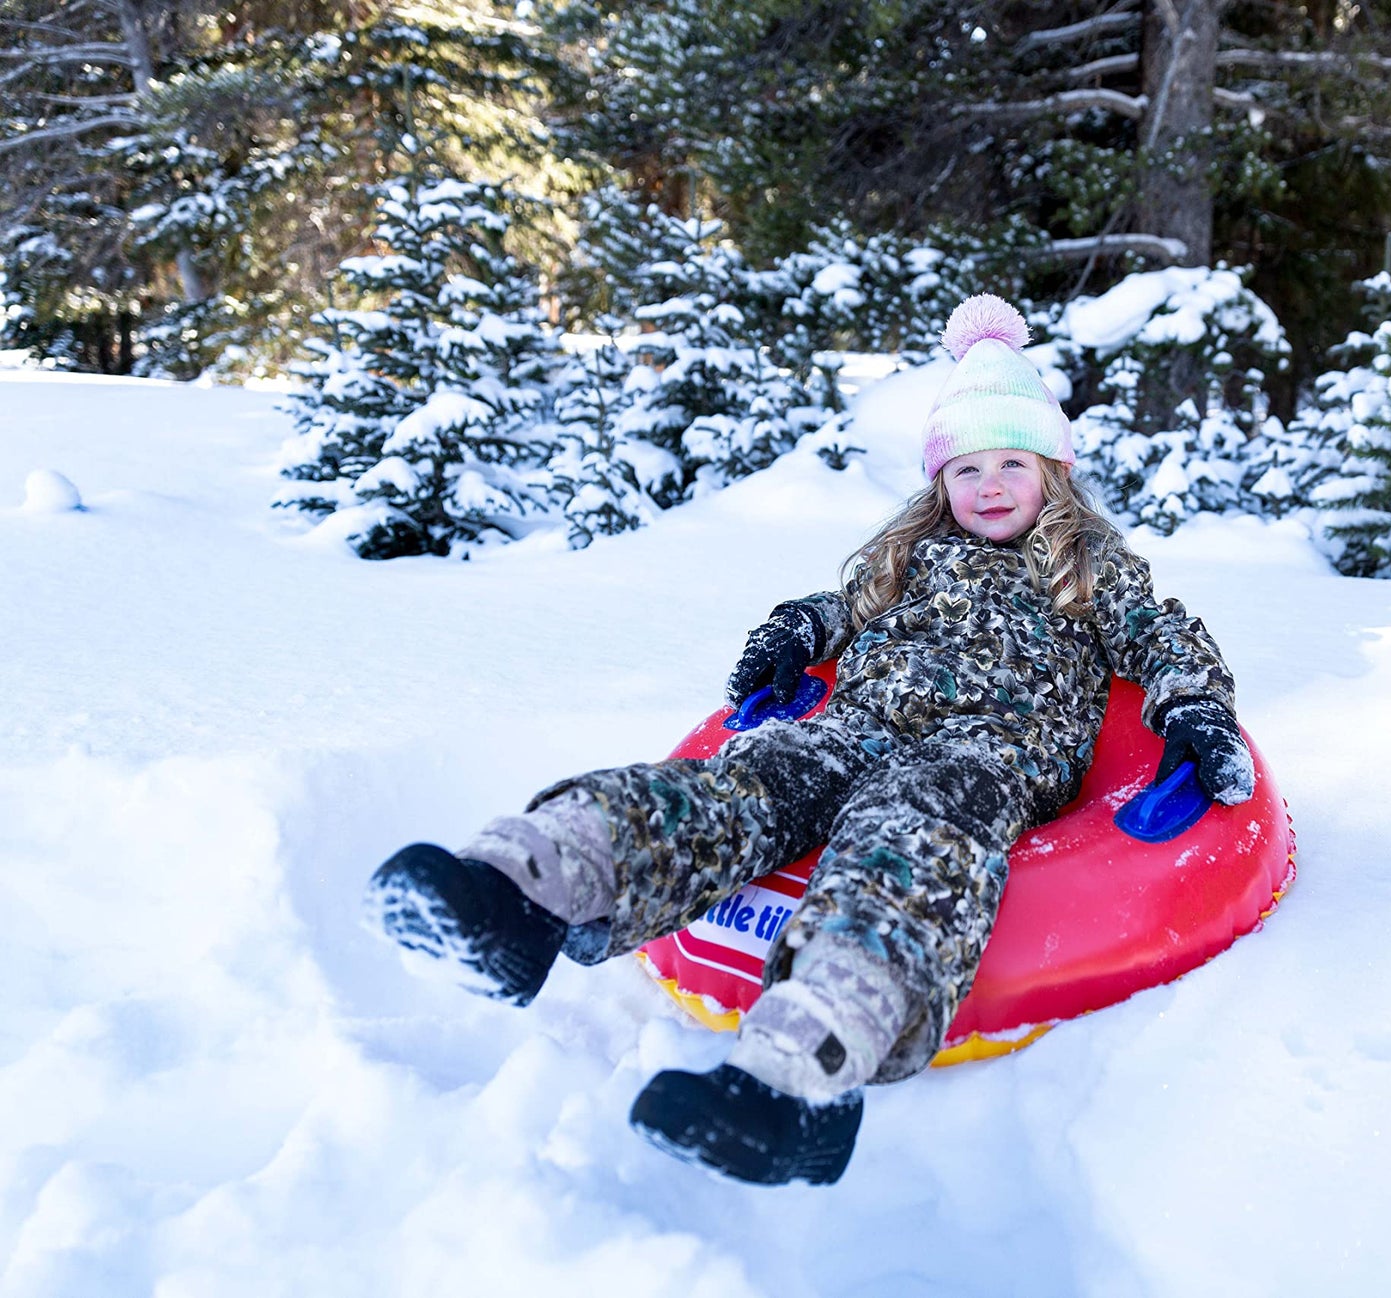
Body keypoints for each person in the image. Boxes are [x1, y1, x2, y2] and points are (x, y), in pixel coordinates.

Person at [364, 294, 1255, 1186]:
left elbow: (1160, 636)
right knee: (743, 784)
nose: (988, 485)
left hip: (989, 753)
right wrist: (799, 628)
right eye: (967, 467)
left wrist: (1192, 706)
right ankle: (528, 884)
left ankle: (799, 1079)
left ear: (1053, 471)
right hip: (859, 725)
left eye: (1012, 462)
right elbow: (848, 612)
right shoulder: (909, 556)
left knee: (906, 848)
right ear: (939, 481)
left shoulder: (1087, 563)